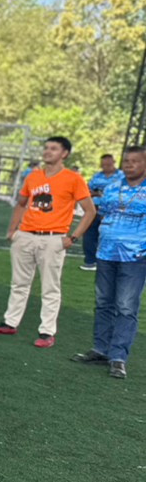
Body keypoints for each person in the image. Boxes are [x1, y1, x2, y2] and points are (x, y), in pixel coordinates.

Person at [0, 136, 95, 349]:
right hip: (25, 235)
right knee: (19, 283)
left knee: (50, 287)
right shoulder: (33, 176)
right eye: (46, 148)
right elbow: (21, 203)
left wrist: (72, 237)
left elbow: (90, 211)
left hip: (53, 238)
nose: (47, 152)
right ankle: (10, 322)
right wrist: (12, 231)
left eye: (53, 148)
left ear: (64, 153)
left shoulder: (73, 178)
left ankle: (47, 331)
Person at [73, 146, 146, 379]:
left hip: (135, 257)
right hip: (106, 254)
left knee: (126, 306)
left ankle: (118, 357)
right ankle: (100, 349)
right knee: (103, 302)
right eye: (126, 160)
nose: (129, 165)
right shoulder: (112, 186)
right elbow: (102, 213)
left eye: (135, 161)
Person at [82, 153, 121, 272]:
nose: (106, 167)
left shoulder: (121, 176)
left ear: (113, 162)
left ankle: (111, 262)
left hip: (113, 210)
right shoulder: (97, 176)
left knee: (109, 235)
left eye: (108, 164)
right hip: (95, 208)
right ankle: (90, 261)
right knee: (89, 234)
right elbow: (88, 190)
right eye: (104, 164)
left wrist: (101, 192)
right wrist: (96, 193)